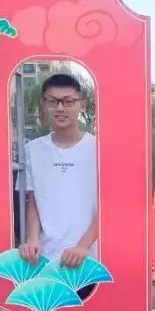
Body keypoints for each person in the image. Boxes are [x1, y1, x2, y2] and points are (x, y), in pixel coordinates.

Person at [18, 73, 98, 296]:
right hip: (45, 261)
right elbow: (33, 200)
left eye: (68, 101)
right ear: (43, 105)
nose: (60, 108)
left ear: (82, 105)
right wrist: (32, 238)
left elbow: (110, 204)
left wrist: (83, 245)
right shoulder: (33, 150)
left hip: (88, 261)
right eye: (53, 101)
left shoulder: (99, 149)